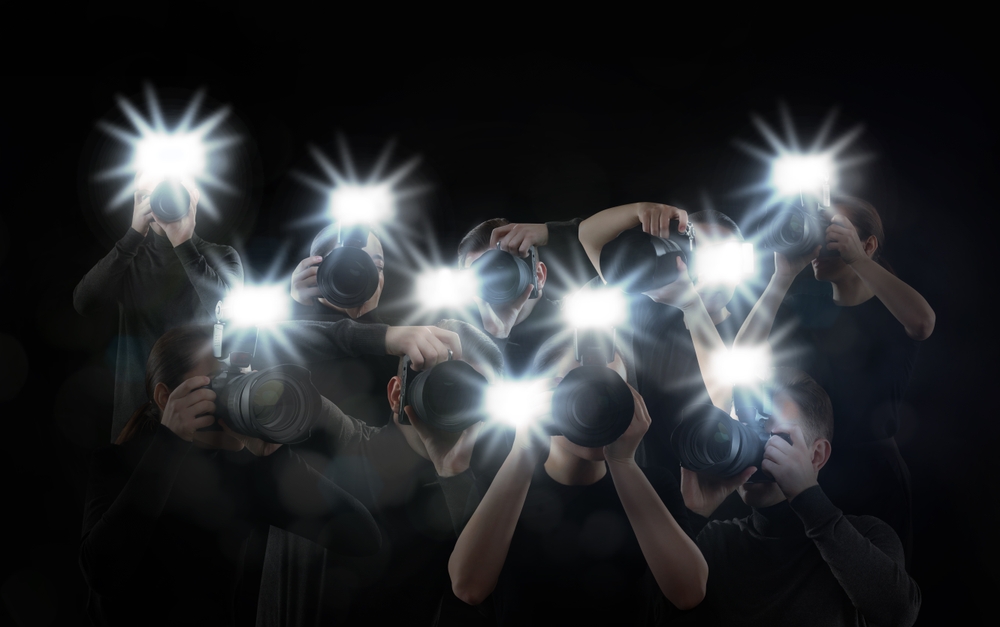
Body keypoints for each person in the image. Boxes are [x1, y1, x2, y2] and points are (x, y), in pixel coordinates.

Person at [79, 325, 380, 627]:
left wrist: (274, 457)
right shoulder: (116, 463)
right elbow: (102, 574)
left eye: (242, 380)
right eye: (220, 383)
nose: (236, 393)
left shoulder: (246, 475)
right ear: (165, 397)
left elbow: (362, 537)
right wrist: (168, 442)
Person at [446, 332, 707, 625]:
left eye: (610, 390)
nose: (594, 406)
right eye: (577, 387)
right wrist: (523, 451)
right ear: (541, 394)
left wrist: (622, 461)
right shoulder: (501, 482)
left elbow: (689, 593)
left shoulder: (655, 484)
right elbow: (468, 588)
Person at [257, 320, 503, 626]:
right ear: (397, 392)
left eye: (472, 392)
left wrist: (454, 474)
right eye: (442, 383)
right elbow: (247, 344)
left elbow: (483, 597)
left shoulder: (494, 499)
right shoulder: (337, 440)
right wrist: (378, 336)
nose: (453, 399)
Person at [733, 196, 935, 562]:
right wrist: (782, 275)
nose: (817, 246)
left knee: (873, 585)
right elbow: (741, 354)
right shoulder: (805, 305)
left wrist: (858, 258)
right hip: (806, 469)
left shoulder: (891, 307)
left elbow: (923, 323)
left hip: (874, 473)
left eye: (830, 234)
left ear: (868, 243)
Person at [673, 368, 921, 626]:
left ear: (816, 456)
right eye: (744, 431)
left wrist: (807, 496)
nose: (755, 449)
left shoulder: (867, 535)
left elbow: (899, 613)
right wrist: (689, 519)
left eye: (773, 437)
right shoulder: (716, 541)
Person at [74, 173, 243, 442]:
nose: (168, 198)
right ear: (142, 198)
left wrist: (183, 243)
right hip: (135, 420)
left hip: (205, 415)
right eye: (158, 190)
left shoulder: (221, 256)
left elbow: (232, 315)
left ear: (193, 198)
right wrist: (133, 235)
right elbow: (84, 303)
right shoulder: (129, 259)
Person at [578, 202, 732, 472]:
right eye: (699, 253)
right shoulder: (651, 307)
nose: (709, 271)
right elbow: (589, 236)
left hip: (718, 474)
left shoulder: (755, 326)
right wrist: (641, 210)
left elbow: (728, 403)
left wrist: (691, 305)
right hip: (650, 475)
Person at [457, 218, 597, 379]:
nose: (494, 282)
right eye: (480, 274)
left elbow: (629, 240)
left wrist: (551, 232)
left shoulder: (581, 326)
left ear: (538, 275)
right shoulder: (458, 341)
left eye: (502, 267)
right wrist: (494, 340)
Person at [288, 223, 399, 427]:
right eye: (349, 263)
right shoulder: (283, 333)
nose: (362, 274)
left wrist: (368, 323)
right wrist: (299, 310)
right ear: (315, 271)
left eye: (377, 267)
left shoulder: (401, 342)